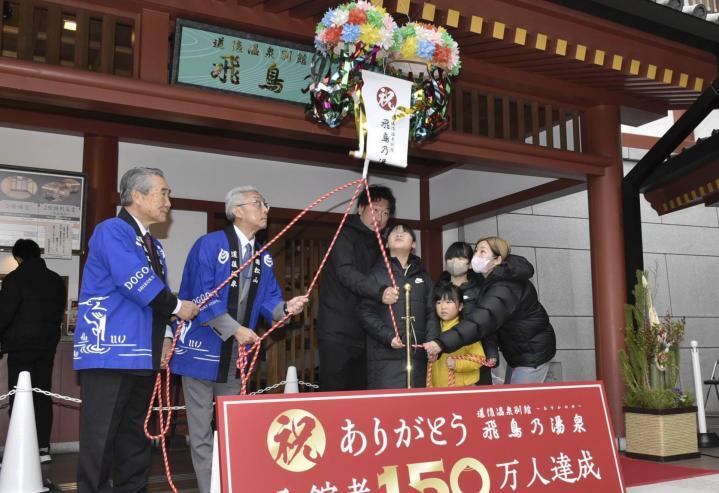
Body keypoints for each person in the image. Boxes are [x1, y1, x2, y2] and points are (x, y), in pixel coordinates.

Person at [170, 185, 309, 493]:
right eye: (259, 203)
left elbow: (268, 302)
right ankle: (210, 488)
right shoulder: (208, 245)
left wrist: (286, 308)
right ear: (237, 210)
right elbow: (201, 292)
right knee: (201, 428)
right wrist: (234, 328)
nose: (265, 210)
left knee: (231, 426)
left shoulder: (264, 257)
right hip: (201, 349)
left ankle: (232, 483)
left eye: (265, 203)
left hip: (236, 354)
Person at [73, 167, 199, 493]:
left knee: (137, 439)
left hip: (142, 354)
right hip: (108, 353)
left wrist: (167, 337)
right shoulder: (111, 231)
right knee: (100, 442)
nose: (169, 202)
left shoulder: (153, 245)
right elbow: (136, 283)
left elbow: (157, 293)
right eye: (163, 193)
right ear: (137, 196)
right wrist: (177, 307)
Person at [424, 236, 556, 385]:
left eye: (483, 252)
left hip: (533, 352)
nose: (476, 256)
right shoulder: (491, 281)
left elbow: (481, 320)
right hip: (519, 352)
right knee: (511, 402)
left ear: (497, 260)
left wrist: (441, 343)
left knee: (517, 403)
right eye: (476, 251)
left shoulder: (504, 286)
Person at [317, 184, 399, 391]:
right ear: (360, 208)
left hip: (368, 332)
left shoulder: (384, 243)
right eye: (374, 210)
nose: (379, 217)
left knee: (361, 394)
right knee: (334, 393)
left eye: (385, 213)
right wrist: (380, 292)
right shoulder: (344, 234)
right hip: (338, 330)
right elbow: (347, 273)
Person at [0, 239, 65, 463]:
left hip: (21, 347)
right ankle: (42, 449)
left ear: (18, 257)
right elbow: (59, 314)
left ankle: (21, 449)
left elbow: (4, 315)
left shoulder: (14, 280)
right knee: (42, 395)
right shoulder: (56, 280)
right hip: (46, 346)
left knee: (19, 396)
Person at [358, 223, 438, 389]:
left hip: (417, 356)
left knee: (415, 410)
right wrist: (388, 336)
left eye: (405, 232)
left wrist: (432, 343)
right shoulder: (375, 274)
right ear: (386, 244)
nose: (399, 233)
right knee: (387, 410)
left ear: (413, 245)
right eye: (394, 231)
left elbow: (431, 313)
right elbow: (365, 312)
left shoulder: (424, 277)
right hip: (385, 356)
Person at [439, 241, 498, 385]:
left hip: (474, 354)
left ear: (470, 263)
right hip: (446, 354)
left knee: (478, 402)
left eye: (460, 259)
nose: (454, 262)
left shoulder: (480, 290)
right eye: (451, 258)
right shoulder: (439, 289)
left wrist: (491, 352)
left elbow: (487, 323)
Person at [429, 283, 486, 388]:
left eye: (449, 302)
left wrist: (457, 364)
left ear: (460, 306)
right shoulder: (432, 330)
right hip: (439, 391)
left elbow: (479, 358)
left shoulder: (466, 330)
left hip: (463, 390)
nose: (443, 307)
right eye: (439, 302)